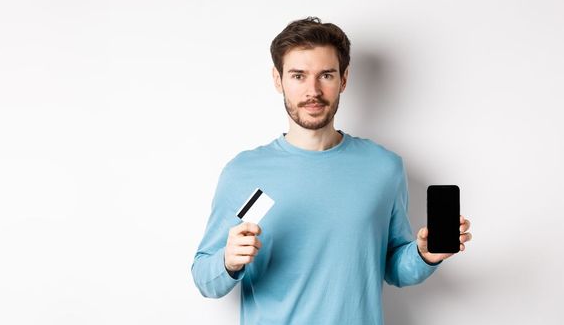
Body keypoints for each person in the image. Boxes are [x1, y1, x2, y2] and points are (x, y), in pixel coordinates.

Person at [190, 17, 473, 324]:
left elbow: (394, 268)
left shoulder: (383, 168)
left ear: (344, 79)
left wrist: (423, 255)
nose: (313, 90)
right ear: (277, 79)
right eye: (298, 76)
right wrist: (228, 261)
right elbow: (206, 279)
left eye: (325, 75)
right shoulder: (243, 171)